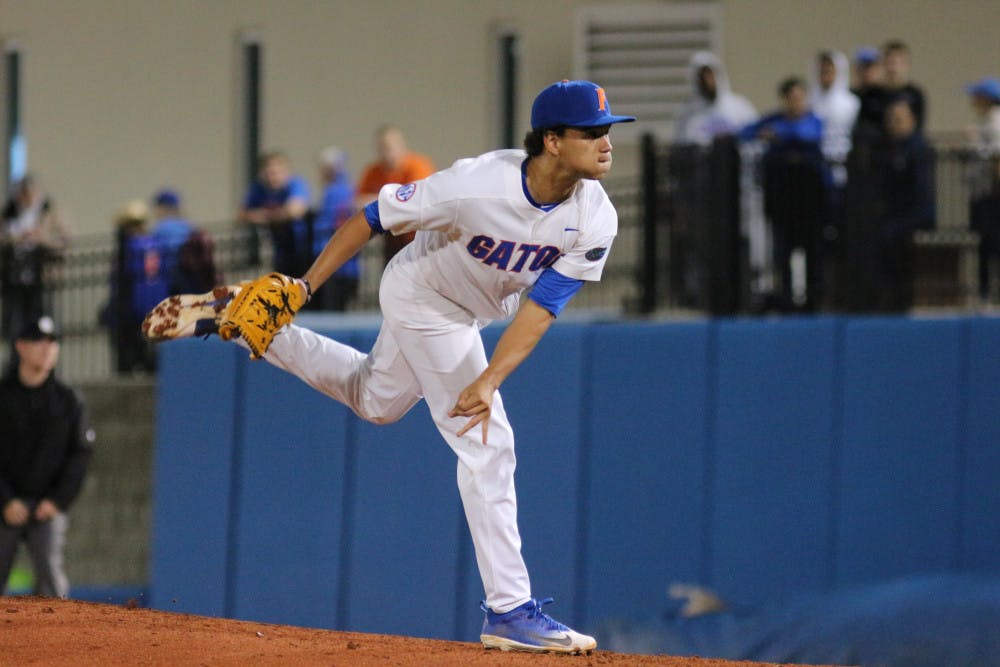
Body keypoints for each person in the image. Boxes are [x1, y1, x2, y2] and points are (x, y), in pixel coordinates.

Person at [145, 79, 635, 653]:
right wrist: (305, 285)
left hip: (469, 313)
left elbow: (542, 307)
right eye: (592, 132)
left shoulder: (595, 217)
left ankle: (247, 323)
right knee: (489, 443)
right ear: (551, 140)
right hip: (423, 296)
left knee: (374, 401)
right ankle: (509, 609)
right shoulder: (478, 184)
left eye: (608, 131)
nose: (607, 143)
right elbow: (373, 216)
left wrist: (491, 377)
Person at [0, 315, 94, 598]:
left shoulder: (68, 399)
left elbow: (80, 455)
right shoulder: (3, 396)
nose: (47, 348)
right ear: (20, 346)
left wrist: (56, 501)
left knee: (52, 582)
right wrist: (5, 500)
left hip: (47, 507)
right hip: (4, 507)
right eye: (38, 341)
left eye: (52, 342)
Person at [740, 77, 828, 311]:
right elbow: (746, 132)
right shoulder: (774, 119)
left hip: (809, 199)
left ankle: (813, 300)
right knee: (783, 250)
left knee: (812, 250)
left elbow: (809, 136)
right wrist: (770, 133)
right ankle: (788, 299)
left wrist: (780, 135)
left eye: (800, 97)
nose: (796, 103)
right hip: (782, 198)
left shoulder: (813, 121)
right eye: (791, 98)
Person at [872, 98, 935, 312]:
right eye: (890, 119)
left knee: (890, 236)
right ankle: (887, 293)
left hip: (917, 214)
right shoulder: (887, 149)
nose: (893, 123)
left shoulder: (918, 148)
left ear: (912, 121)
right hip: (896, 215)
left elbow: (918, 190)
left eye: (899, 119)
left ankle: (899, 296)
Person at [0, 175, 68, 344]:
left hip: (41, 278)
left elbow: (63, 241)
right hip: (15, 278)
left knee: (42, 322)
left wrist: (41, 238)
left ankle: (44, 353)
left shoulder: (49, 211)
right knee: (16, 325)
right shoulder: (9, 212)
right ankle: (17, 356)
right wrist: (16, 239)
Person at [355, 125, 435, 266]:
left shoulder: (418, 166)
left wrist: (381, 201)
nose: (387, 153)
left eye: (390, 147)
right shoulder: (373, 172)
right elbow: (359, 202)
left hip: (419, 238)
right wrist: (391, 202)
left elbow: (415, 202)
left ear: (402, 146)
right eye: (382, 148)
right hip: (391, 237)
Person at [238, 151, 311, 277]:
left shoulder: (295, 185)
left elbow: (295, 211)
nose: (272, 177)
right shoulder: (259, 188)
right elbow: (242, 214)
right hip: (279, 252)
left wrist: (265, 215)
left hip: (303, 250)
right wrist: (276, 215)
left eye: (276, 172)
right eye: (269, 173)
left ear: (286, 172)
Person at [673, 51, 757, 146]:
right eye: (702, 76)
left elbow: (755, 139)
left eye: (710, 74)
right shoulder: (687, 114)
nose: (707, 81)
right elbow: (681, 145)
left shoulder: (739, 107)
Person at [311, 146, 360, 311]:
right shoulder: (346, 190)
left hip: (334, 263)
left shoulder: (335, 192)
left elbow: (328, 224)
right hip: (344, 263)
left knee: (332, 308)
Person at [965, 77, 1000, 302]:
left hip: (991, 196)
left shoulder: (996, 122)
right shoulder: (987, 121)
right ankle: (985, 293)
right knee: (984, 244)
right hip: (983, 194)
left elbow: (996, 158)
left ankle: (987, 294)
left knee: (992, 243)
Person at [149, 188, 195, 292]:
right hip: (190, 276)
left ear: (163, 207)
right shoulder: (187, 226)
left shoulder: (161, 229)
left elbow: (154, 254)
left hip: (169, 277)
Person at [881, 40, 926, 130]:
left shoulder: (915, 94)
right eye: (889, 62)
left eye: (897, 63)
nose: (893, 68)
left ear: (906, 65)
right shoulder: (874, 95)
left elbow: (919, 127)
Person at [850, 46, 889, 142]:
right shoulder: (850, 96)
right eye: (863, 67)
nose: (867, 72)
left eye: (871, 67)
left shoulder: (886, 96)